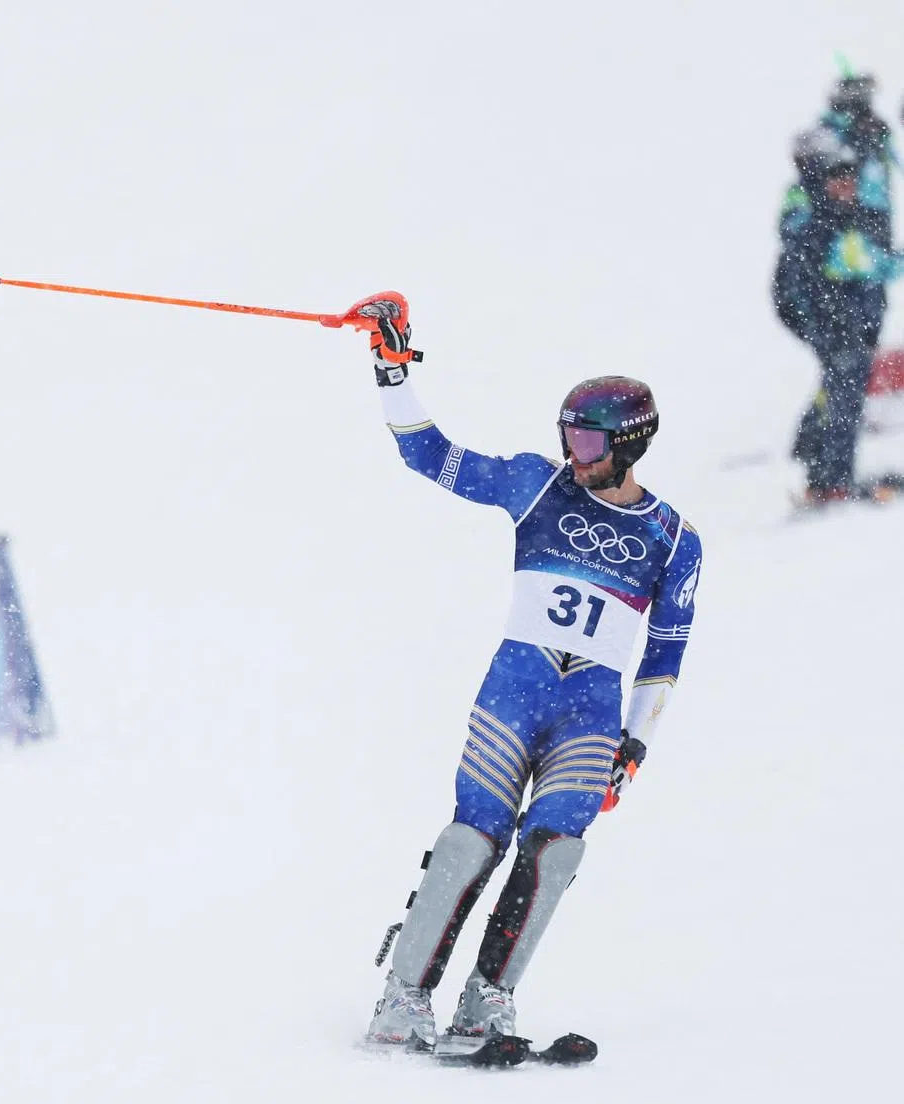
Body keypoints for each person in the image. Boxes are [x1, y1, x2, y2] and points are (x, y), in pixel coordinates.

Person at [356, 297, 702, 1047]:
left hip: (590, 713)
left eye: (585, 439)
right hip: (513, 694)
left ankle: (489, 998)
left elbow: (665, 652)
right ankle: (403, 996)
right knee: (472, 839)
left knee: (555, 849)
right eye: (566, 435)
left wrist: (633, 745)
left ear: (628, 444)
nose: (572, 451)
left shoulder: (672, 538)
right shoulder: (536, 484)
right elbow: (430, 455)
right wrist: (392, 368)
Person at [773, 73, 904, 503]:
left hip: (840, 302)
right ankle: (830, 479)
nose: (848, 187)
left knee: (845, 374)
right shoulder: (818, 213)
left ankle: (815, 453)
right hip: (822, 305)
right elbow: (844, 262)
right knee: (847, 376)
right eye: (840, 181)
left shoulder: (844, 204)